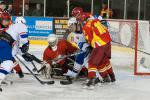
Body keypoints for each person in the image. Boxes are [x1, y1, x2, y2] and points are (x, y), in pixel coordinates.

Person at [72, 7, 116, 88]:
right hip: (107, 41)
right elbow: (101, 21)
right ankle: (110, 78)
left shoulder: (85, 27)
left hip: (100, 44)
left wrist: (90, 46)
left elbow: (89, 39)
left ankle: (91, 81)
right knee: (103, 61)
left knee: (92, 62)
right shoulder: (92, 17)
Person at [0, 16, 29, 91]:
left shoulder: (11, 28)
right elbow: (23, 38)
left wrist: (22, 52)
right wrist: (26, 44)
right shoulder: (20, 25)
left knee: (8, 62)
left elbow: (15, 49)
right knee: (8, 63)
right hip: (4, 45)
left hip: (3, 45)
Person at [60, 17, 90, 85]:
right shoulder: (73, 35)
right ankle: (73, 74)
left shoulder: (85, 28)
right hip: (87, 49)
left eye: (71, 26)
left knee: (87, 61)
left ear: (75, 24)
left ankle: (95, 77)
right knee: (79, 57)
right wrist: (86, 47)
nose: (69, 28)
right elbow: (80, 44)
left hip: (95, 48)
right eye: (69, 27)